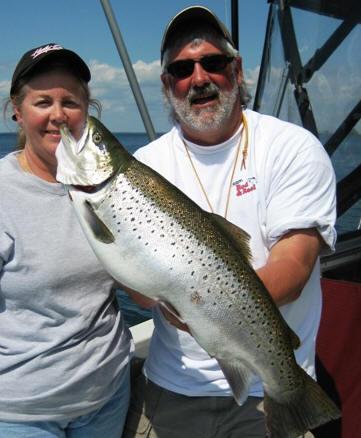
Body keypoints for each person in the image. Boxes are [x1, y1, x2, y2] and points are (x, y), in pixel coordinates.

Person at [122, 6, 337, 438]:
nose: (199, 78)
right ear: (167, 84)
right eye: (182, 69)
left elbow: (293, 269)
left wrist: (207, 305)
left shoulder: (292, 148)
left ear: (236, 70)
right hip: (173, 388)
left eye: (213, 63)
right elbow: (140, 293)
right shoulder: (144, 166)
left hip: (269, 388)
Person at [0, 43, 133, 437]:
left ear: (87, 112)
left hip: (108, 396)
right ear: (17, 111)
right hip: (24, 414)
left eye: (70, 102)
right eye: (43, 101)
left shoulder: (112, 189)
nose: (58, 115)